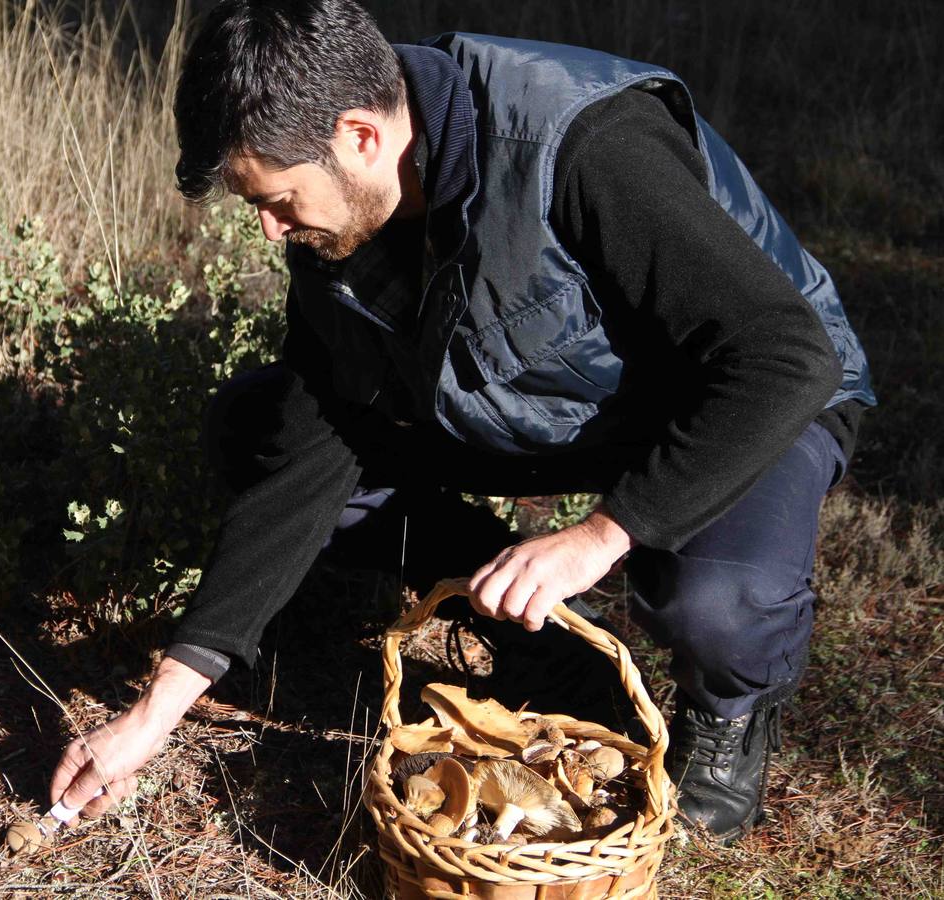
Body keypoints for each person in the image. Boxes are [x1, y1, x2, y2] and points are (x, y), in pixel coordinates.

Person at [49, 0, 875, 846]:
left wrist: (602, 533)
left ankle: (729, 713)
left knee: (717, 602)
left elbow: (784, 356)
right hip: (540, 406)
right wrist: (157, 712)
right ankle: (538, 634)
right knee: (255, 428)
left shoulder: (582, 144)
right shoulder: (337, 222)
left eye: (279, 200)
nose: (270, 230)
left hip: (746, 391)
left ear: (360, 136)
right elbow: (310, 456)